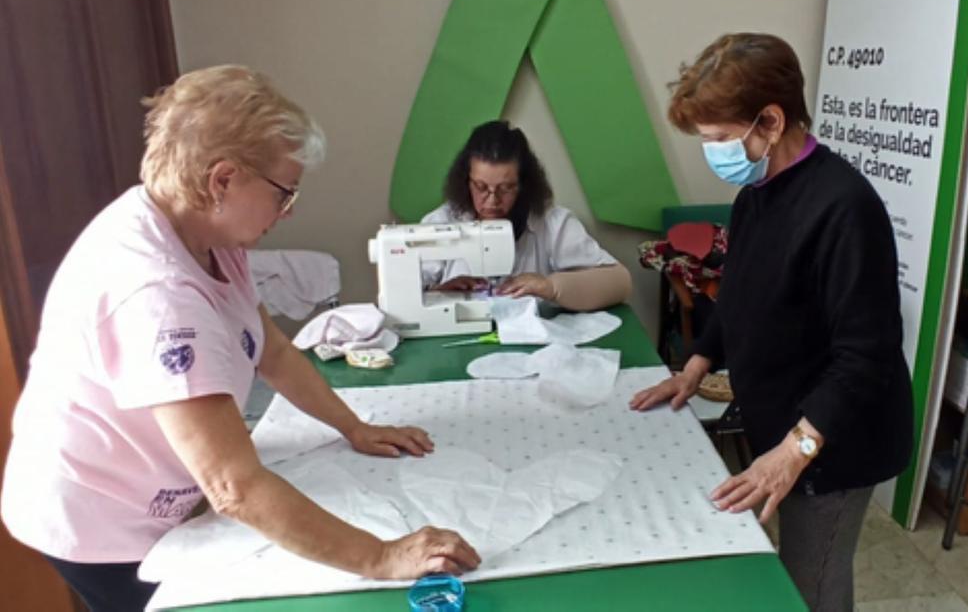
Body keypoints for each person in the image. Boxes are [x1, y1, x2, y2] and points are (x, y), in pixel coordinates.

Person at [0, 66, 479, 612]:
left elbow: (270, 348)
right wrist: (381, 556)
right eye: (284, 192)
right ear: (222, 179)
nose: (290, 209)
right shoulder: (157, 293)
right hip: (99, 517)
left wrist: (355, 426)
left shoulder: (205, 232)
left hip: (162, 485)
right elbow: (234, 487)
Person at [629, 33, 913, 611]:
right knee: (789, 570)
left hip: (837, 440)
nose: (711, 151)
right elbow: (741, 296)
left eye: (718, 139)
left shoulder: (844, 207)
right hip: (784, 421)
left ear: (772, 121)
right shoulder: (756, 192)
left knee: (811, 583)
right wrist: (697, 364)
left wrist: (794, 450)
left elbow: (867, 355)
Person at [421, 120, 632, 311]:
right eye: (481, 187)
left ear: (523, 184)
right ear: (466, 181)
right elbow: (395, 300)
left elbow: (620, 282)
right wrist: (438, 294)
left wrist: (551, 287)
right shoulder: (441, 223)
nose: (492, 201)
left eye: (506, 188)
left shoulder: (551, 223)